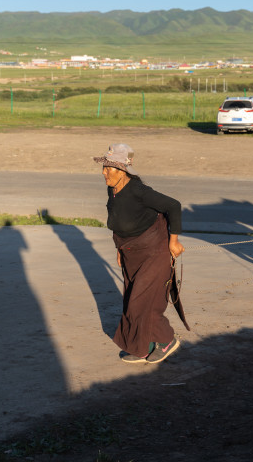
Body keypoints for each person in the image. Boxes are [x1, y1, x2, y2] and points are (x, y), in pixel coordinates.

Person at [94, 143, 186, 364]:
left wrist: (173, 241)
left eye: (110, 168)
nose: (104, 172)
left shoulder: (138, 191)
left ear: (123, 170)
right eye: (104, 167)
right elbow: (117, 222)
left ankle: (166, 341)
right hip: (131, 252)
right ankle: (141, 346)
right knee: (131, 302)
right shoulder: (113, 189)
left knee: (143, 302)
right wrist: (119, 250)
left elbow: (173, 206)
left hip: (154, 250)